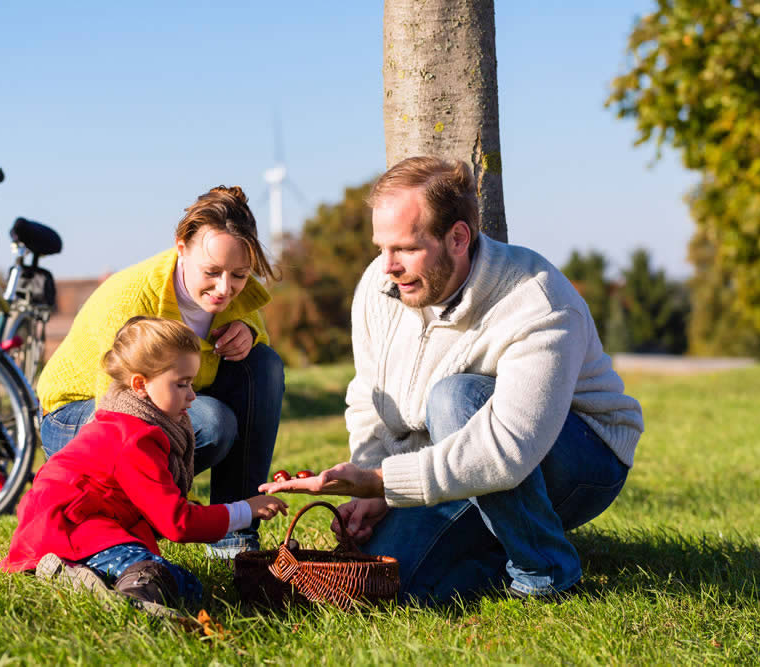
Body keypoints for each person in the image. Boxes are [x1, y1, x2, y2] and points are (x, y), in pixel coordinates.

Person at [260, 156, 644, 601]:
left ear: (458, 237)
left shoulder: (536, 300)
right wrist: (372, 484)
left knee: (454, 396)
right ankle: (494, 549)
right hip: (459, 451)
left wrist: (382, 482)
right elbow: (369, 396)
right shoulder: (379, 286)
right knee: (390, 583)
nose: (387, 266)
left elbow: (508, 448)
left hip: (577, 457)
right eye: (380, 247)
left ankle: (544, 571)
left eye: (404, 248)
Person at [36, 185, 284, 558]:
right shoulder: (131, 297)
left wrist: (250, 333)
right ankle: (138, 517)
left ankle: (235, 538)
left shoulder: (237, 297)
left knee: (264, 365)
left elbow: (254, 328)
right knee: (213, 422)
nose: (224, 288)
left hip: (165, 405)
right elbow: (114, 412)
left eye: (239, 274)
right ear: (181, 248)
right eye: (212, 272)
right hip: (81, 416)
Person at [0, 316, 288, 606]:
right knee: (171, 580)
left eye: (192, 383)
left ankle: (91, 577)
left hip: (73, 529)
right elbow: (177, 523)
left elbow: (161, 507)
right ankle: (92, 583)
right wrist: (245, 510)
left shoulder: (127, 421)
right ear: (140, 384)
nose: (192, 395)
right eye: (181, 384)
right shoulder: (134, 439)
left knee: (189, 585)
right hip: (67, 534)